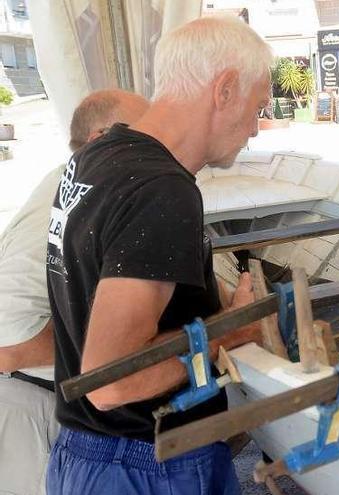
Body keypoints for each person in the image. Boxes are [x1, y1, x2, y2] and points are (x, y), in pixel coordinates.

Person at [45, 16, 272, 495]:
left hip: (80, 454)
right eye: (258, 107)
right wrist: (232, 332)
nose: (256, 127)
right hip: (145, 465)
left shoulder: (97, 158)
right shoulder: (162, 190)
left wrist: (217, 303)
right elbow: (110, 382)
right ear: (225, 88)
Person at [0, 89, 149, 495]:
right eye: (146, 133)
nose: (157, 144)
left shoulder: (79, 183)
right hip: (28, 405)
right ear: (103, 138)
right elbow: (7, 342)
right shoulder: (77, 191)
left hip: (41, 397)